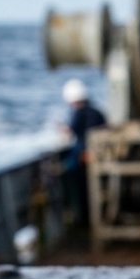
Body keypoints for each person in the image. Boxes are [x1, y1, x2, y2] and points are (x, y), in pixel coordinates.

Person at [60, 79, 107, 224]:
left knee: (72, 177)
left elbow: (70, 131)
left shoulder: (78, 113)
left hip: (84, 159)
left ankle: (80, 218)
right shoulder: (97, 111)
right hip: (100, 157)